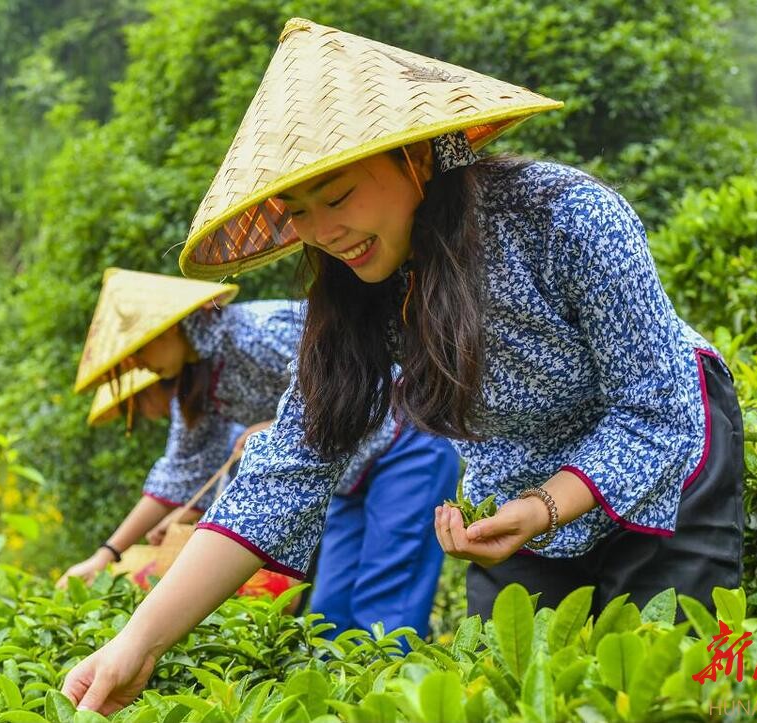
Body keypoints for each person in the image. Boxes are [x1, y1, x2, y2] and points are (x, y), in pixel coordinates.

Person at [62, 19, 743, 713]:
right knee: (518, 691)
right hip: (516, 479)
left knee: (668, 686)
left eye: (337, 196)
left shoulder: (568, 216)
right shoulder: (359, 292)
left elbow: (654, 408)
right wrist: (136, 642)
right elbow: (287, 467)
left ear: (413, 159)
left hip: (666, 448)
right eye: (297, 211)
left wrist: (546, 506)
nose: (323, 233)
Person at [61, 268, 459, 640]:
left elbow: (359, 377)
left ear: (172, 326)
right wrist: (106, 554)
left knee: (385, 611)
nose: (138, 363)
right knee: (329, 617)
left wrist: (271, 428)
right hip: (343, 475)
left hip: (402, 444)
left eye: (139, 347)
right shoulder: (199, 383)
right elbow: (175, 476)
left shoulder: (256, 332)